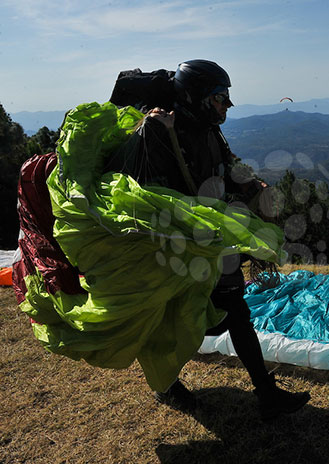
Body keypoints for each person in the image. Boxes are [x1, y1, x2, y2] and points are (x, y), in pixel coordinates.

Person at [104, 59, 310, 420]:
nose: (227, 105)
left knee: (235, 308)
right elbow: (152, 194)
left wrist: (254, 187)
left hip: (209, 241)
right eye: (219, 97)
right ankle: (166, 386)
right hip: (171, 246)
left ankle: (266, 393)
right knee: (166, 320)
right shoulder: (159, 129)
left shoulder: (209, 131)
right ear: (196, 96)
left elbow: (229, 167)